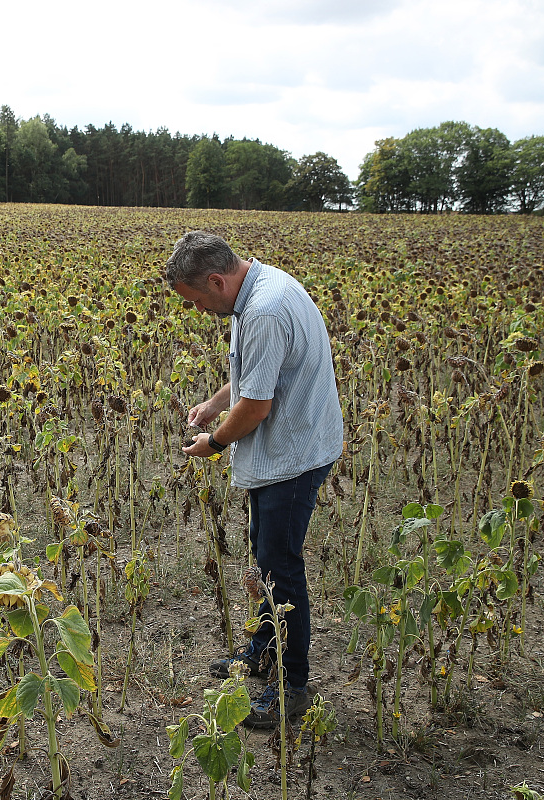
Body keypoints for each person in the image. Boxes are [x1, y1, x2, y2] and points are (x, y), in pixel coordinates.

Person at [165, 231, 343, 729]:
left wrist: (215, 443)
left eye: (197, 299)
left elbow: (259, 406)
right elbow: (255, 376)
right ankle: (262, 654)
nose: (197, 309)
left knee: (280, 567)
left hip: (295, 455)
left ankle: (292, 685)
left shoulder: (263, 311)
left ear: (217, 280)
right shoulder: (260, 289)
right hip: (291, 446)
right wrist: (217, 403)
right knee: (265, 558)